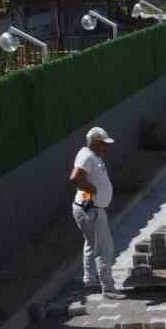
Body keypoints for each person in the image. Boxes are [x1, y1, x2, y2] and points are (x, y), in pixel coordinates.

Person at [69, 127, 123, 299]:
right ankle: (108, 288)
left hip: (89, 208)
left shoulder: (91, 156)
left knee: (92, 244)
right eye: (102, 144)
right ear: (94, 142)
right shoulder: (87, 156)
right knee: (104, 248)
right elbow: (75, 177)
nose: (105, 147)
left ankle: (90, 279)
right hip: (91, 210)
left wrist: (93, 191)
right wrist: (91, 189)